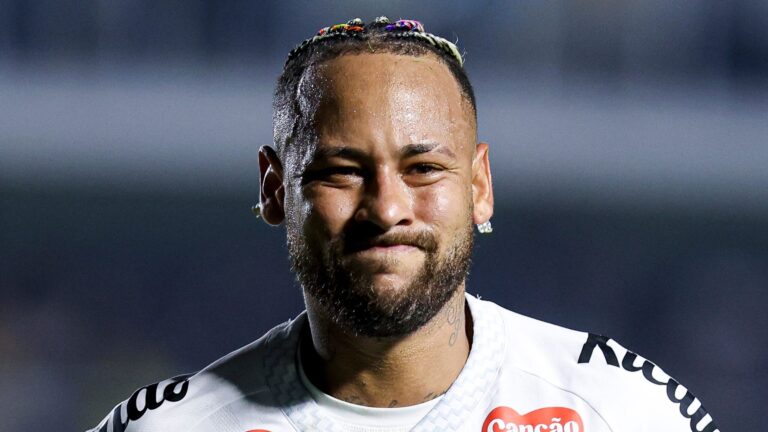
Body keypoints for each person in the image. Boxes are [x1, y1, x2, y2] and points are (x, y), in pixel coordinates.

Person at [88, 17, 719, 432]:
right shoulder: (170, 426)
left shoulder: (624, 410)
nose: (387, 209)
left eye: (423, 169)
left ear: (479, 186)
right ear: (275, 188)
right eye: (343, 171)